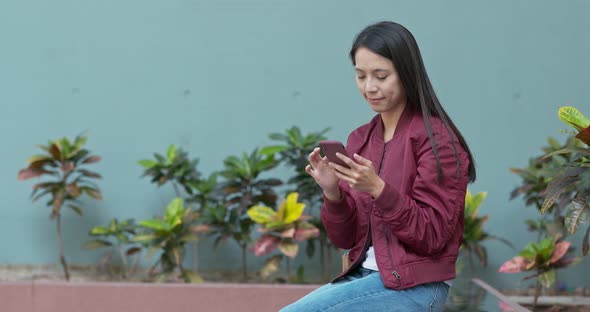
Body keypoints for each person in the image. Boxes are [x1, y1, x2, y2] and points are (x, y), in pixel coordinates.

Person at [280, 21, 476, 312]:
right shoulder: (361, 139)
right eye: (361, 76)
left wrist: (378, 189)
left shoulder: (438, 141)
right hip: (363, 278)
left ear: (406, 74)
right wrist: (333, 193)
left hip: (416, 287)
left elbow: (433, 236)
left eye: (381, 76)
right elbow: (345, 239)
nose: (370, 87)